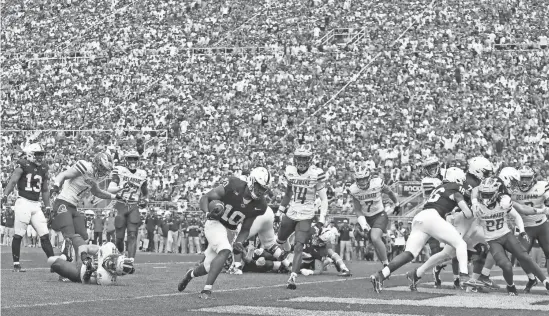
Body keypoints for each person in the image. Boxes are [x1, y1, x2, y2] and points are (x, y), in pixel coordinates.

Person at [371, 167, 475, 293]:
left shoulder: (440, 187)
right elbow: (468, 214)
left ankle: (380, 275)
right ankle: (464, 276)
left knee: (409, 254)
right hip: (432, 217)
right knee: (461, 244)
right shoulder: (456, 189)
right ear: (458, 179)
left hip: (420, 218)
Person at [177, 167, 271, 299]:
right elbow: (206, 198)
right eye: (258, 187)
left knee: (208, 267)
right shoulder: (234, 185)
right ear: (251, 181)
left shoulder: (260, 205)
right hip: (216, 223)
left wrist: (239, 241)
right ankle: (206, 290)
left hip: (231, 231)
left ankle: (190, 274)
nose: (260, 191)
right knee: (225, 250)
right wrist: (207, 213)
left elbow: (245, 228)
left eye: (263, 189)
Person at [472, 177, 549, 295]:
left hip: (506, 235)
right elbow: (473, 225)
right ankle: (510, 286)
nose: (486, 197)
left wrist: (522, 231)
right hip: (493, 241)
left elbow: (517, 215)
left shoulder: (504, 202)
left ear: (496, 193)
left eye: (489, 194)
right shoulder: (477, 207)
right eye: (484, 194)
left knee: (525, 257)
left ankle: (545, 281)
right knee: (506, 265)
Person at [275, 145, 335, 290]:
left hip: (307, 214)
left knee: (299, 246)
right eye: (299, 158)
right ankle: (288, 254)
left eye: (304, 158)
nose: (301, 161)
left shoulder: (316, 174)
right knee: (280, 240)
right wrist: (279, 212)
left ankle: (292, 277)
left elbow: (324, 199)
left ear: (309, 159)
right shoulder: (290, 171)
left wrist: (321, 220)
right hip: (292, 212)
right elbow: (288, 193)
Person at [50, 152, 123, 261]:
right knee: (69, 237)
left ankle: (69, 262)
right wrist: (56, 185)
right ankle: (63, 266)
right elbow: (64, 175)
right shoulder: (85, 167)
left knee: (83, 237)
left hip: (73, 207)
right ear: (97, 164)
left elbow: (97, 192)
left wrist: (115, 196)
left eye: (106, 169)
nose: (104, 172)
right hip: (63, 202)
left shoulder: (96, 177)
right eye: (103, 168)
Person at [1, 143, 55, 272]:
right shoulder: (22, 165)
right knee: (19, 234)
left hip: (36, 205)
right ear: (30, 154)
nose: (40, 157)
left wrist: (48, 206)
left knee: (44, 235)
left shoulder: (43, 168)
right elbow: (13, 181)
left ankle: (54, 264)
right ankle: (16, 264)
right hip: (23, 202)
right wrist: (5, 195)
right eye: (37, 154)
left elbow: (45, 189)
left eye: (41, 154)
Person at [349, 165, 400, 269]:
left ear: (369, 177)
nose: (362, 182)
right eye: (359, 179)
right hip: (367, 218)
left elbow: (389, 191)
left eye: (364, 179)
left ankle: (387, 266)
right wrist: (364, 224)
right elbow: (358, 209)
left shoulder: (377, 183)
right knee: (375, 243)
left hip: (379, 214)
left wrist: (397, 203)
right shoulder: (354, 190)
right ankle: (385, 264)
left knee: (375, 237)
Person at [107, 150, 149, 263]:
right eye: (130, 158)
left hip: (134, 205)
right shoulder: (120, 170)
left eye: (135, 158)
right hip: (120, 204)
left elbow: (145, 192)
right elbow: (110, 189)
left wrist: (145, 200)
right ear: (126, 159)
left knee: (132, 234)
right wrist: (121, 186)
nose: (133, 161)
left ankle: (130, 261)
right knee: (119, 237)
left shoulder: (142, 173)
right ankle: (120, 257)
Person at [512, 166, 549, 290]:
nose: (524, 181)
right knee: (521, 255)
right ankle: (532, 279)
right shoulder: (512, 190)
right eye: (522, 178)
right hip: (526, 227)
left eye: (527, 178)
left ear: (533, 178)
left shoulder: (542, 186)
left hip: (542, 224)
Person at [48, 241, 134, 285]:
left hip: (79, 273)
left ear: (116, 273)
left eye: (113, 266)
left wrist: (88, 273)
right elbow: (84, 247)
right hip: (81, 259)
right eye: (114, 261)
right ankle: (67, 257)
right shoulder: (108, 249)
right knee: (76, 236)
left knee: (52, 262)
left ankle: (66, 258)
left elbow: (86, 281)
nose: (111, 263)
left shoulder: (107, 279)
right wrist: (84, 257)